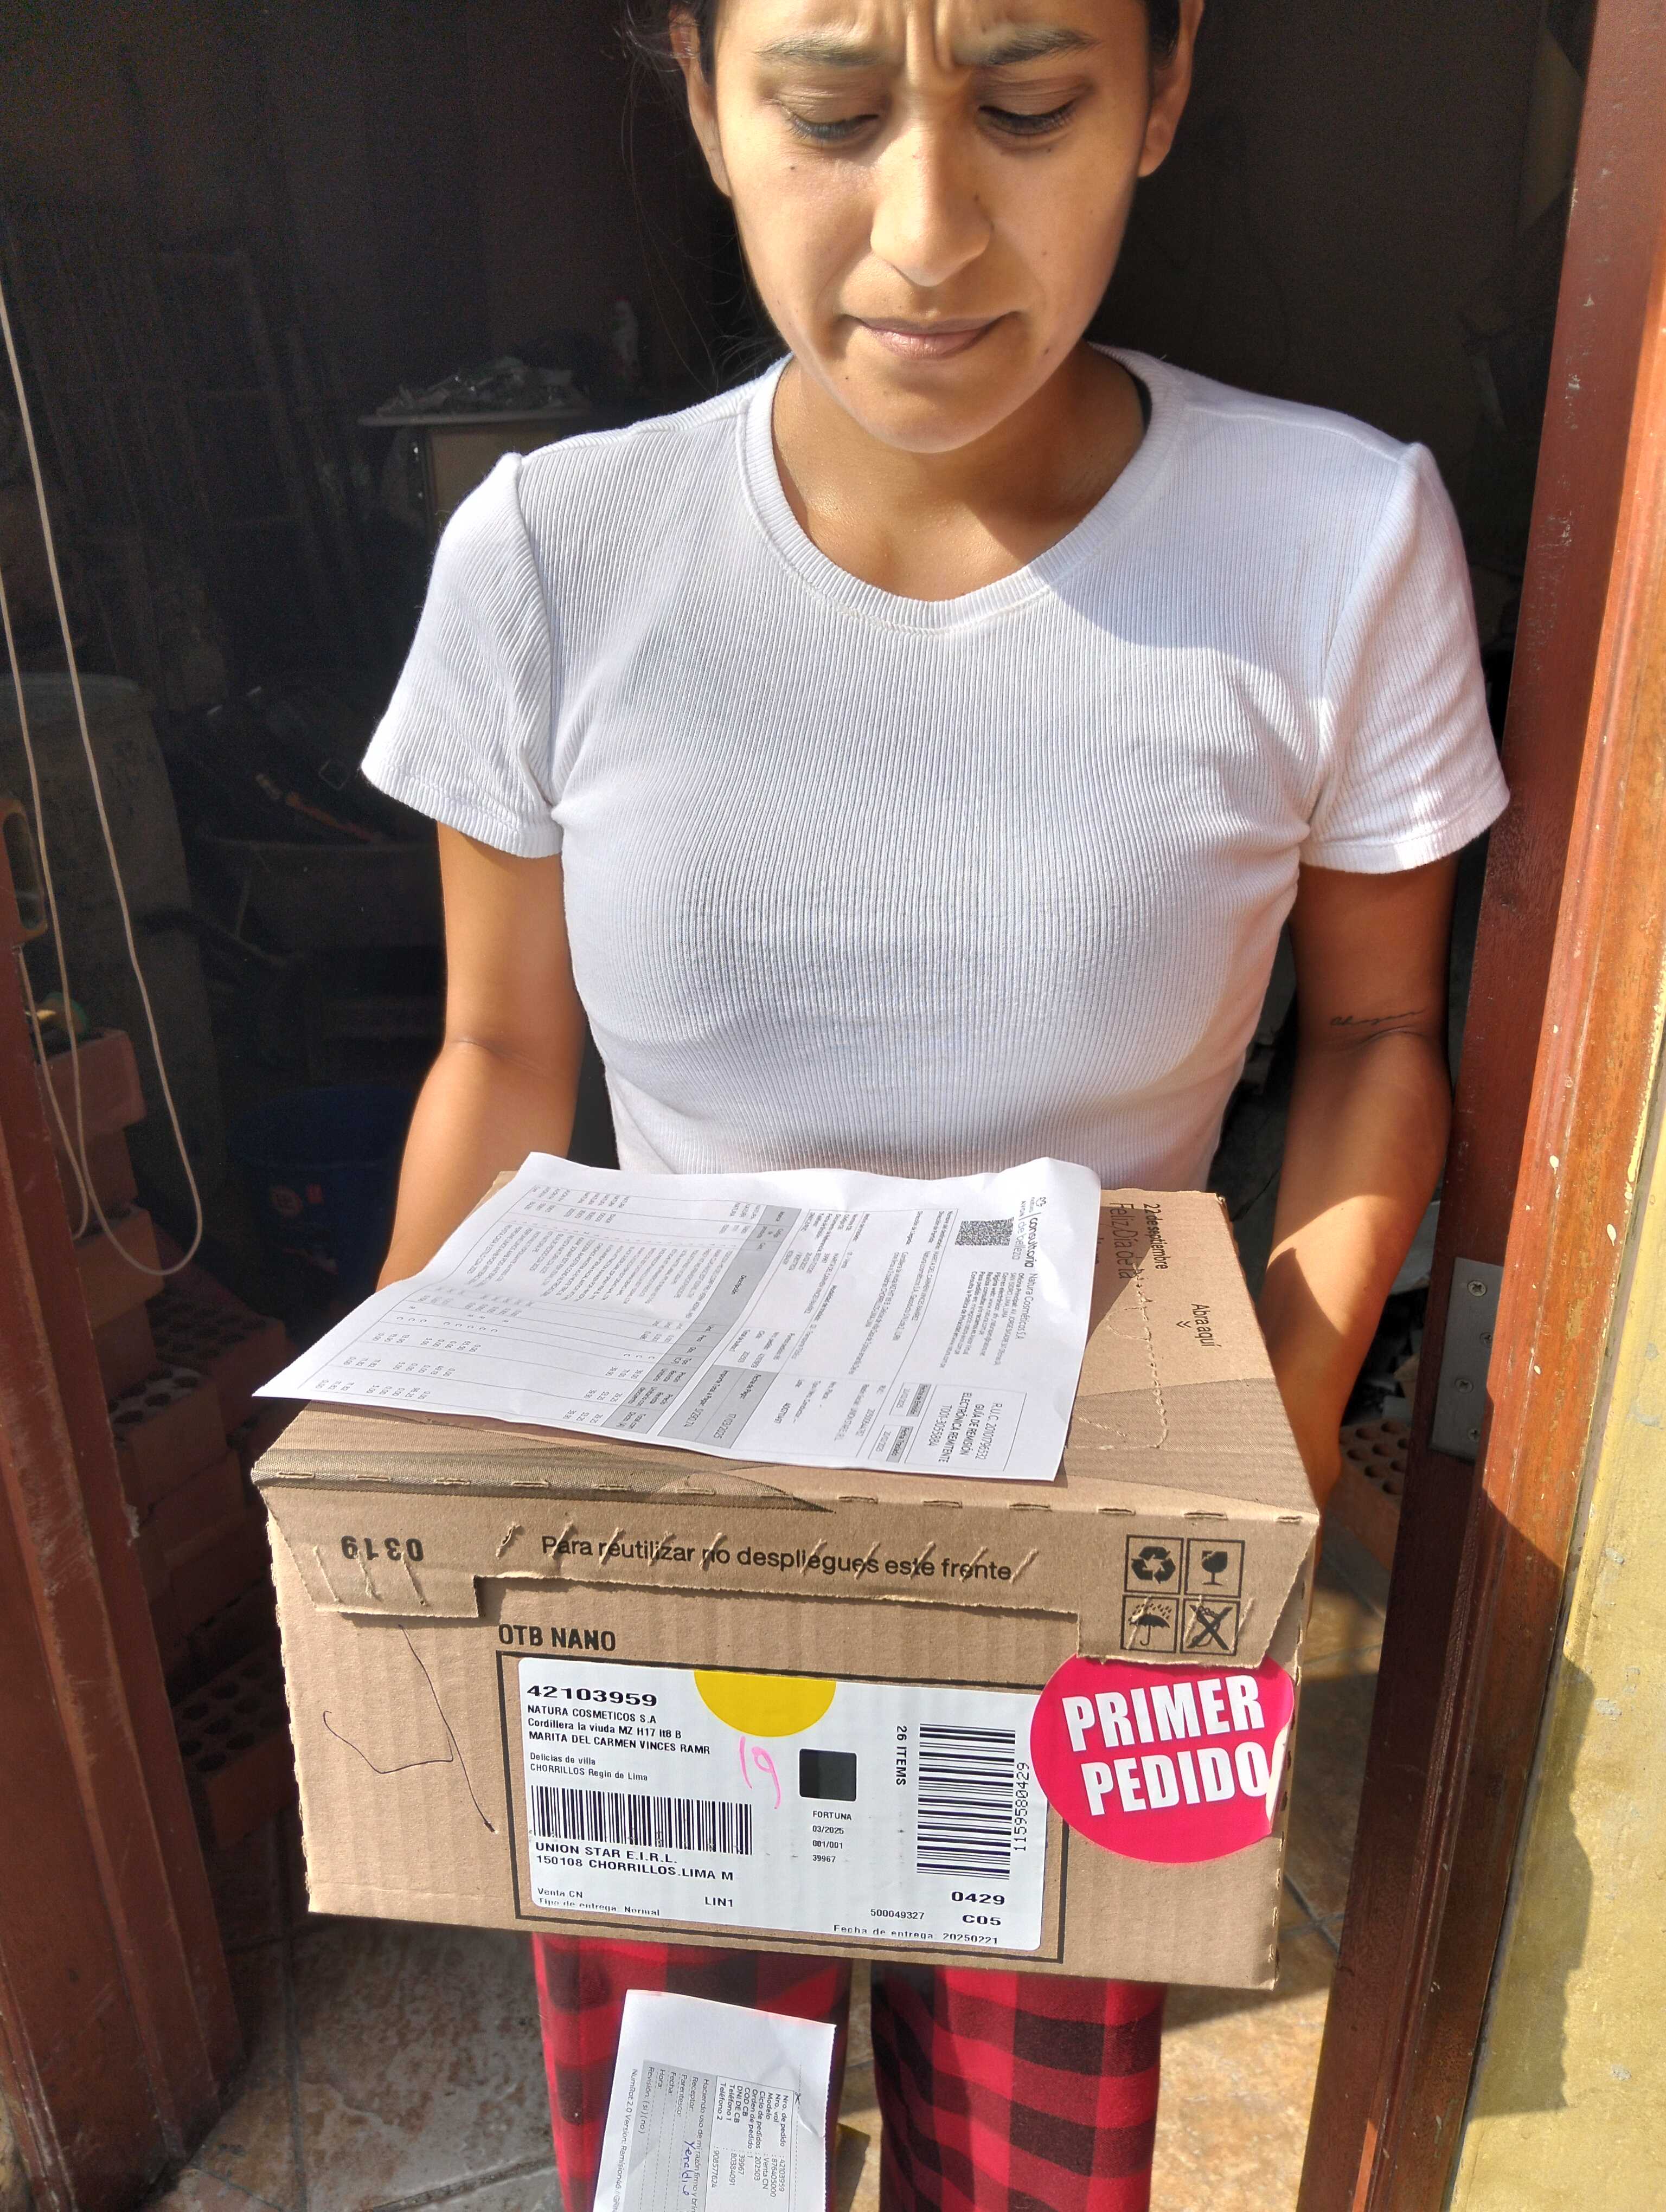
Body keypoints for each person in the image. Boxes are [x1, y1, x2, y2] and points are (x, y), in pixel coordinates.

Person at [361, 0, 1509, 2202]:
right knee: (695, 2169)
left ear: (1165, 88)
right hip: (666, 1567)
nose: (926, 230)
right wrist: (415, 1500)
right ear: (705, 99)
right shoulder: (557, 558)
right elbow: (503, 1055)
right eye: (827, 108)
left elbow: (1378, 1037)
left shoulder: (1332, 542)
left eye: (1029, 106)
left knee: (1033, 2174)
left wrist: (1246, 1484)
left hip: (1083, 1561)